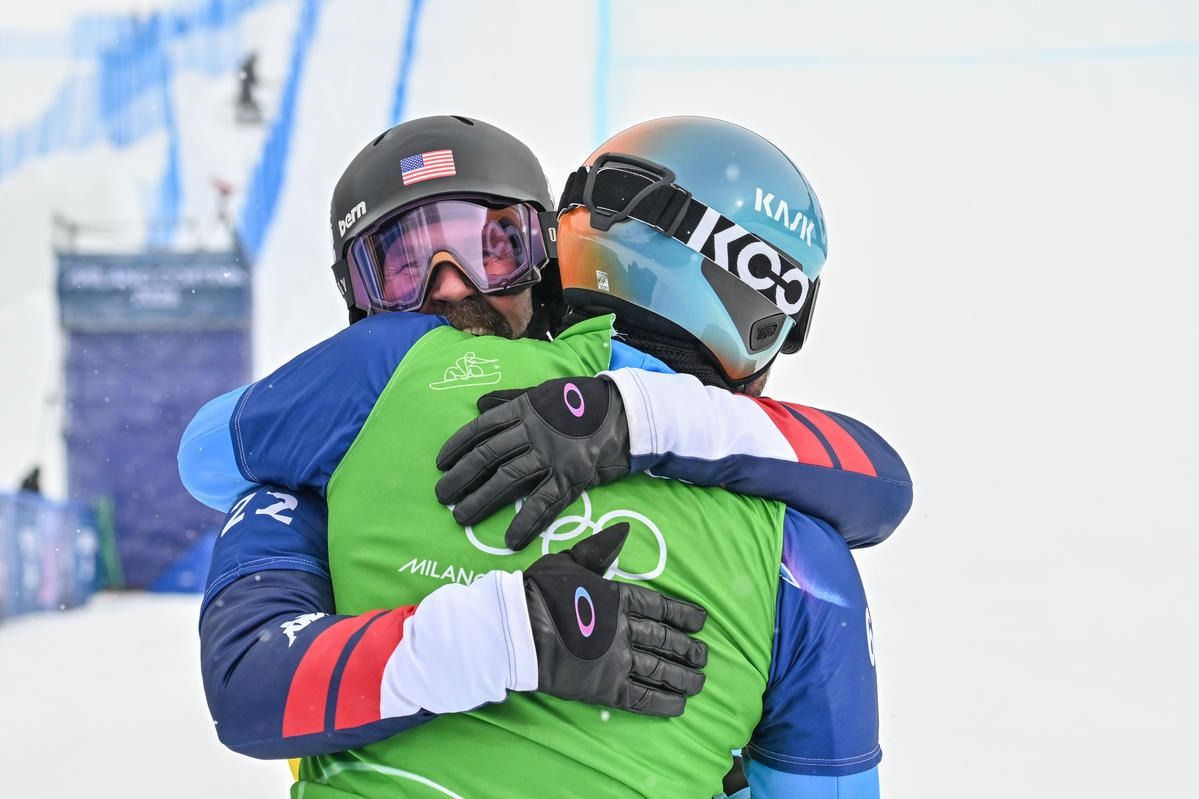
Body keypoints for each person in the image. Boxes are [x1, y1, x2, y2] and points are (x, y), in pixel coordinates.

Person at [179, 116, 911, 797]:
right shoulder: (801, 547)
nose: (450, 287)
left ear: (554, 258)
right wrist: (502, 633)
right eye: (399, 268)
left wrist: (643, 415)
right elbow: (249, 684)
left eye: (492, 246)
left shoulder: (369, 383)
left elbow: (209, 463)